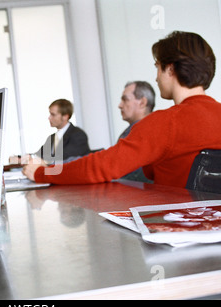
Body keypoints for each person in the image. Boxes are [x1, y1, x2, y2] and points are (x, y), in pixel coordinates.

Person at [23, 31, 221, 189]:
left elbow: (101, 167)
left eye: (158, 67)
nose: (156, 78)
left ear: (170, 69)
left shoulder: (166, 122)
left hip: (174, 228)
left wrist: (41, 173)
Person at [9, 99, 91, 165]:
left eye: (53, 114)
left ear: (65, 116)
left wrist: (32, 159)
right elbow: (39, 155)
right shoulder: (52, 137)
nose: (49, 118)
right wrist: (20, 158)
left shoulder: (78, 135)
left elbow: (61, 158)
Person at [118, 81, 155, 182]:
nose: (120, 105)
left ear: (142, 102)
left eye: (125, 100)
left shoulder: (143, 133)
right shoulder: (132, 131)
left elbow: (126, 174)